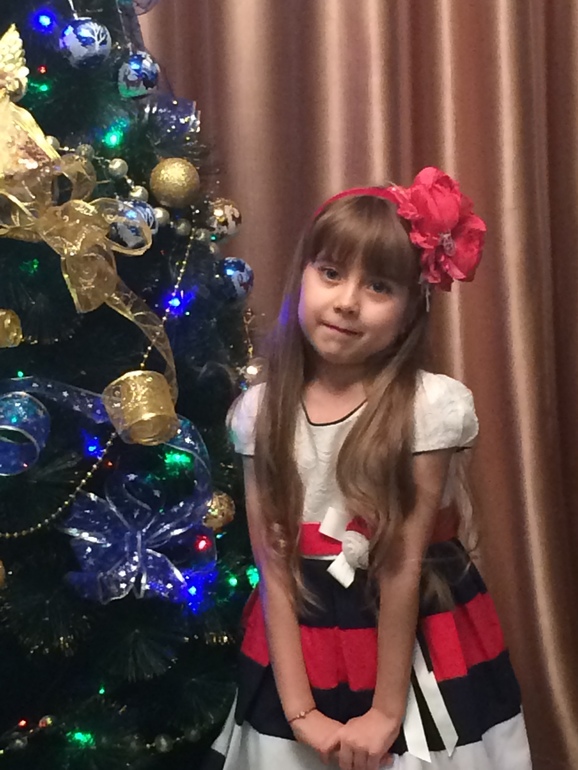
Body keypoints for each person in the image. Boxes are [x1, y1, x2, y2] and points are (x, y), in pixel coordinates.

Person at [203, 168, 533, 770]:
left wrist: (385, 712)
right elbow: (273, 565)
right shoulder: (259, 413)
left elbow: (402, 564)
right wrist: (299, 710)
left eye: (378, 286)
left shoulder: (427, 408)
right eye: (331, 273)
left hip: (411, 637)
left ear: (410, 310)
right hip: (301, 636)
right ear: (304, 276)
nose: (347, 301)